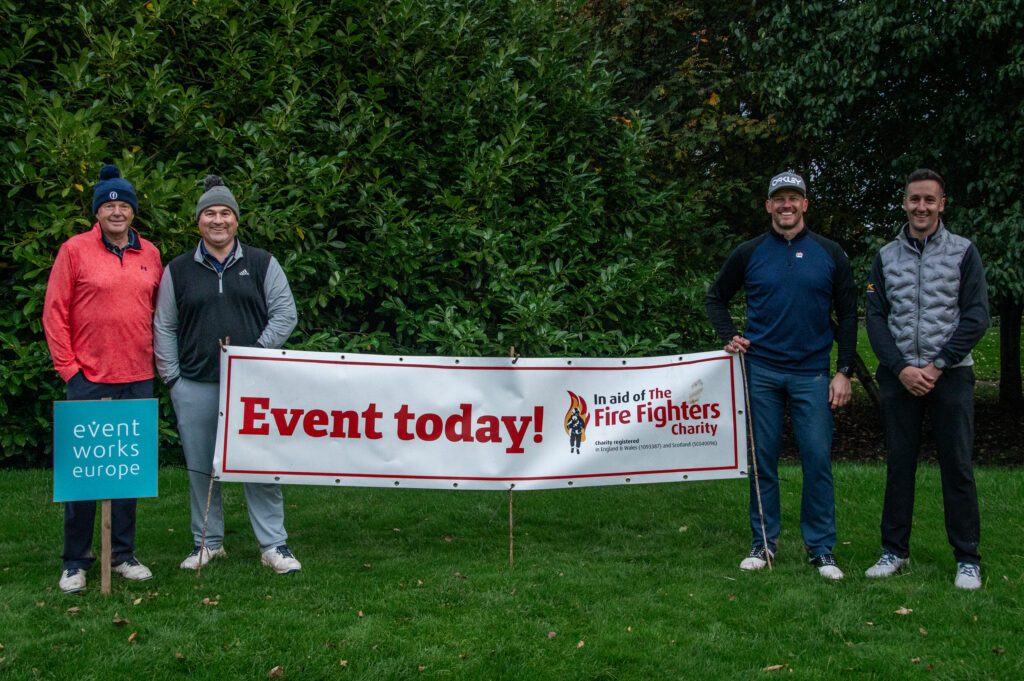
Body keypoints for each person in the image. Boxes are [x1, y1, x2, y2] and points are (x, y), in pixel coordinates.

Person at [705, 170, 857, 580]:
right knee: (763, 461)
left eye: (794, 198)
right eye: (779, 199)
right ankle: (763, 543)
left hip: (812, 374)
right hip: (762, 372)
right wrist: (729, 336)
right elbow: (716, 298)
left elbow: (847, 316)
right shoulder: (749, 252)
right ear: (769, 205)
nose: (786, 205)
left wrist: (843, 371)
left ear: (805, 204)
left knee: (816, 460)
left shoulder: (830, 253)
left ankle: (822, 549)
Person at [153, 175, 301, 574]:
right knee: (202, 467)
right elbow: (164, 325)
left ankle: (274, 545)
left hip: (253, 386)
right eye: (209, 213)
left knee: (260, 464)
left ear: (236, 220)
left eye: (225, 213)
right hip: (196, 383)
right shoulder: (178, 270)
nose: (217, 220)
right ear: (198, 221)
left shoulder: (262, 262)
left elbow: (286, 313)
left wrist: (251, 356)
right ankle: (208, 543)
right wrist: (173, 380)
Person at [864, 168, 988, 590]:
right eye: (914, 199)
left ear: (942, 205)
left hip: (950, 375)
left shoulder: (964, 252)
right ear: (904, 203)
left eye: (929, 200)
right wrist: (901, 368)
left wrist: (936, 365)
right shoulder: (885, 256)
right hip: (899, 377)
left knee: (957, 466)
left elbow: (976, 316)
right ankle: (893, 551)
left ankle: (967, 557)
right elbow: (876, 318)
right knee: (899, 465)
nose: (921, 207)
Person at [43, 164, 163, 593]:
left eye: (123, 204)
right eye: (108, 204)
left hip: (137, 376)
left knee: (127, 472)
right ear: (97, 212)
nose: (116, 211)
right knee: (84, 474)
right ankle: (76, 560)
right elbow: (54, 312)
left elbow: (158, 314)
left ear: (133, 211)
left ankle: (123, 554)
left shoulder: (149, 253)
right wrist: (69, 371)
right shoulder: (73, 250)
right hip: (89, 378)